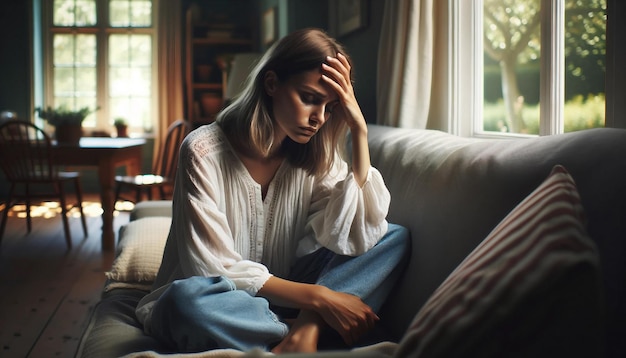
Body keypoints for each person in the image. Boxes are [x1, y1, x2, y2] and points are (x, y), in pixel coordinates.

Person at [135, 28, 410, 354]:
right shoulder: (203, 151)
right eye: (309, 98)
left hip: (289, 295)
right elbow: (211, 268)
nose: (318, 118)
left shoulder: (314, 155)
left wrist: (359, 131)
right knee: (181, 304)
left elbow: (355, 231)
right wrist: (321, 298)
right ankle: (305, 327)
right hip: (223, 301)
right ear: (271, 84)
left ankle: (303, 331)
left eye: (330, 107)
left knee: (393, 237)